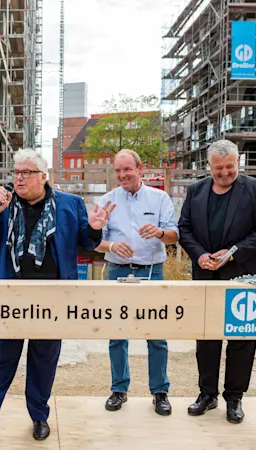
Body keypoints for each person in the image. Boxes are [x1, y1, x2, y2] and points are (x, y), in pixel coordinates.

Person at [0, 149, 111, 441]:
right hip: (12, 294)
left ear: (44, 177)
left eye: (26, 173)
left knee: (43, 359)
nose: (19, 178)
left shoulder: (69, 205)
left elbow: (85, 242)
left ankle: (39, 417)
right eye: (16, 172)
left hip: (53, 296)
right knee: (1, 357)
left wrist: (95, 228)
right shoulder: (4, 204)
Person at [178, 139, 256, 424]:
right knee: (206, 337)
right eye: (218, 168)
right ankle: (207, 394)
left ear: (238, 163)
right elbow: (184, 229)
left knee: (242, 339)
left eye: (230, 166)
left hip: (244, 277)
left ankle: (235, 397)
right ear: (209, 167)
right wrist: (199, 255)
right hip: (205, 274)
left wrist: (232, 255)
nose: (224, 172)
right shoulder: (195, 191)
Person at [94, 149, 178, 415]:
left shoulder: (159, 198)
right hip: (118, 271)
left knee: (156, 335)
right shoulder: (107, 200)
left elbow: (174, 235)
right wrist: (112, 245)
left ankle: (160, 391)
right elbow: (95, 242)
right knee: (117, 334)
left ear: (140, 169)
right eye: (118, 171)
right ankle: (119, 389)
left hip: (152, 271)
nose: (122, 175)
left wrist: (160, 232)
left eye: (127, 169)